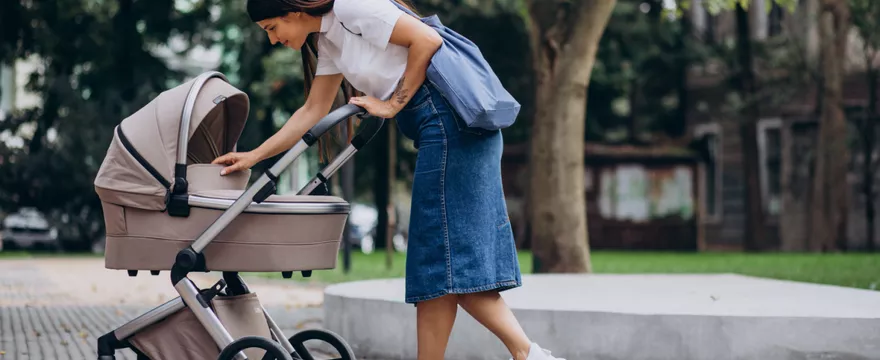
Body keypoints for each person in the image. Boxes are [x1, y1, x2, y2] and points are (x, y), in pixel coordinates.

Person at [213, 1, 563, 359]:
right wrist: (255, 156)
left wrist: (393, 104)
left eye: (272, 28)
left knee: (443, 263)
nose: (273, 39)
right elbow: (313, 111)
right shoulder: (328, 41)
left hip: (450, 126)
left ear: (294, 11)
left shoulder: (351, 7)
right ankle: (528, 355)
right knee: (442, 267)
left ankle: (527, 354)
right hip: (444, 130)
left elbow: (426, 41)